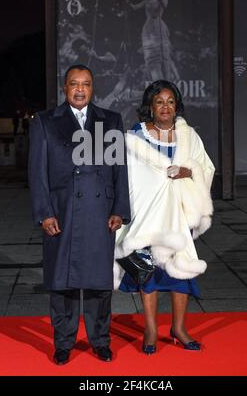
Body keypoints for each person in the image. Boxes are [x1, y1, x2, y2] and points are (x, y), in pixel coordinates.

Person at [28, 64, 131, 365]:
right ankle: (64, 342)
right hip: (63, 213)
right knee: (63, 283)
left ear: (92, 87)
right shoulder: (46, 122)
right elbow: (37, 174)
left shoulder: (110, 120)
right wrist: (44, 213)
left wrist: (120, 210)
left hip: (100, 214)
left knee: (99, 283)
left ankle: (100, 340)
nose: (80, 89)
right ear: (65, 87)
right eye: (74, 84)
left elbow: (119, 170)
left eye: (86, 84)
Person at [115, 80, 215, 354]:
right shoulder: (136, 136)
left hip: (178, 217)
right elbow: (127, 175)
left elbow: (205, 167)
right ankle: (150, 330)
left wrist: (187, 172)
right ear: (150, 105)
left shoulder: (188, 135)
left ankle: (178, 328)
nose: (165, 107)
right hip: (147, 215)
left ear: (177, 106)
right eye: (159, 101)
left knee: (181, 270)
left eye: (170, 101)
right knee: (148, 272)